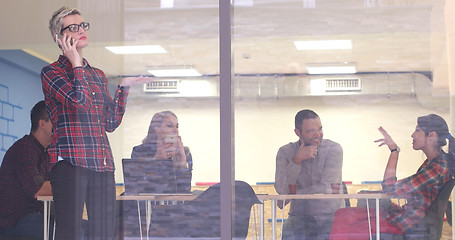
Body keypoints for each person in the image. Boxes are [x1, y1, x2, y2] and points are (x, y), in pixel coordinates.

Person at [41, 6, 153, 240]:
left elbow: (110, 122)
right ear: (59, 38)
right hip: (70, 163)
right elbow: (80, 104)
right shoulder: (51, 73)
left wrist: (123, 87)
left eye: (82, 25)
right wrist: (76, 64)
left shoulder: (98, 75)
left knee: (103, 234)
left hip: (101, 164)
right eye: (73, 27)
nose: (81, 30)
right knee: (69, 232)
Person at [329, 114, 455, 240]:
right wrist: (394, 150)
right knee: (343, 215)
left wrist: (394, 151)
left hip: (406, 225)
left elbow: (390, 189)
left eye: (417, 130)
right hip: (404, 218)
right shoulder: (433, 163)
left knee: (346, 223)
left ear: (432, 135)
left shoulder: (438, 167)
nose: (412, 135)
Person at [275, 109, 344, 240]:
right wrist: (296, 160)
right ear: (297, 132)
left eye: (320, 129)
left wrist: (292, 195)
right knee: (290, 232)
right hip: (300, 215)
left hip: (330, 215)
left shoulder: (334, 149)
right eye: (310, 131)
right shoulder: (285, 152)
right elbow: (281, 189)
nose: (317, 134)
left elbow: (325, 189)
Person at [0, 101, 53, 239]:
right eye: (56, 120)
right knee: (76, 230)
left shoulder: (44, 153)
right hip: (15, 222)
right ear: (42, 124)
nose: (61, 126)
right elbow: (39, 189)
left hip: (31, 217)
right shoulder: (26, 149)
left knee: (79, 227)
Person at [131, 111, 193, 192]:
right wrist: (157, 159)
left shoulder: (185, 152)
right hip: (148, 202)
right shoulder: (140, 151)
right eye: (169, 126)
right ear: (157, 129)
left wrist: (182, 159)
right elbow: (138, 187)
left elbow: (185, 190)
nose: (175, 131)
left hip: (175, 203)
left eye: (177, 126)